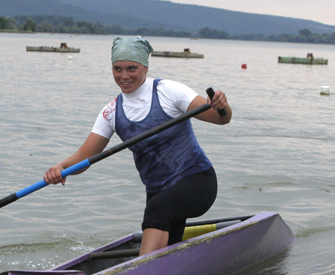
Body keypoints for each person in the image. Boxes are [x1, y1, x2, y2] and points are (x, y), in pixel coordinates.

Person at [44, 36, 232, 256]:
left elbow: (221, 118)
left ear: (145, 67)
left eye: (131, 68)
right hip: (157, 191)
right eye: (117, 69)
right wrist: (61, 167)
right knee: (165, 237)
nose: (124, 76)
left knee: (156, 210)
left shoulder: (168, 91)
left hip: (197, 181)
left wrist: (222, 106)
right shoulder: (111, 112)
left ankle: (140, 273)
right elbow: (85, 157)